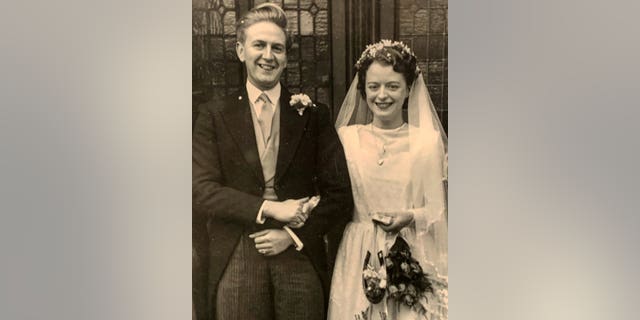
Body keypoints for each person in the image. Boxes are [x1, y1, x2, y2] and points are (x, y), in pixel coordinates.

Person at [192, 3, 353, 320]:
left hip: (297, 251)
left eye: (277, 48)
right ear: (241, 50)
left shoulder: (312, 115)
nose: (268, 55)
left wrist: (291, 236)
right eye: (259, 45)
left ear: (286, 57)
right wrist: (269, 208)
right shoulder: (213, 115)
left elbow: (340, 196)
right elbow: (202, 190)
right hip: (237, 249)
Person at [327, 40, 448, 320]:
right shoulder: (347, 139)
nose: (382, 95)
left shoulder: (425, 143)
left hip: (409, 252)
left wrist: (409, 215)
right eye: (374, 86)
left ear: (408, 89)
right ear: (364, 90)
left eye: (393, 86)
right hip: (358, 252)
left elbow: (437, 209)